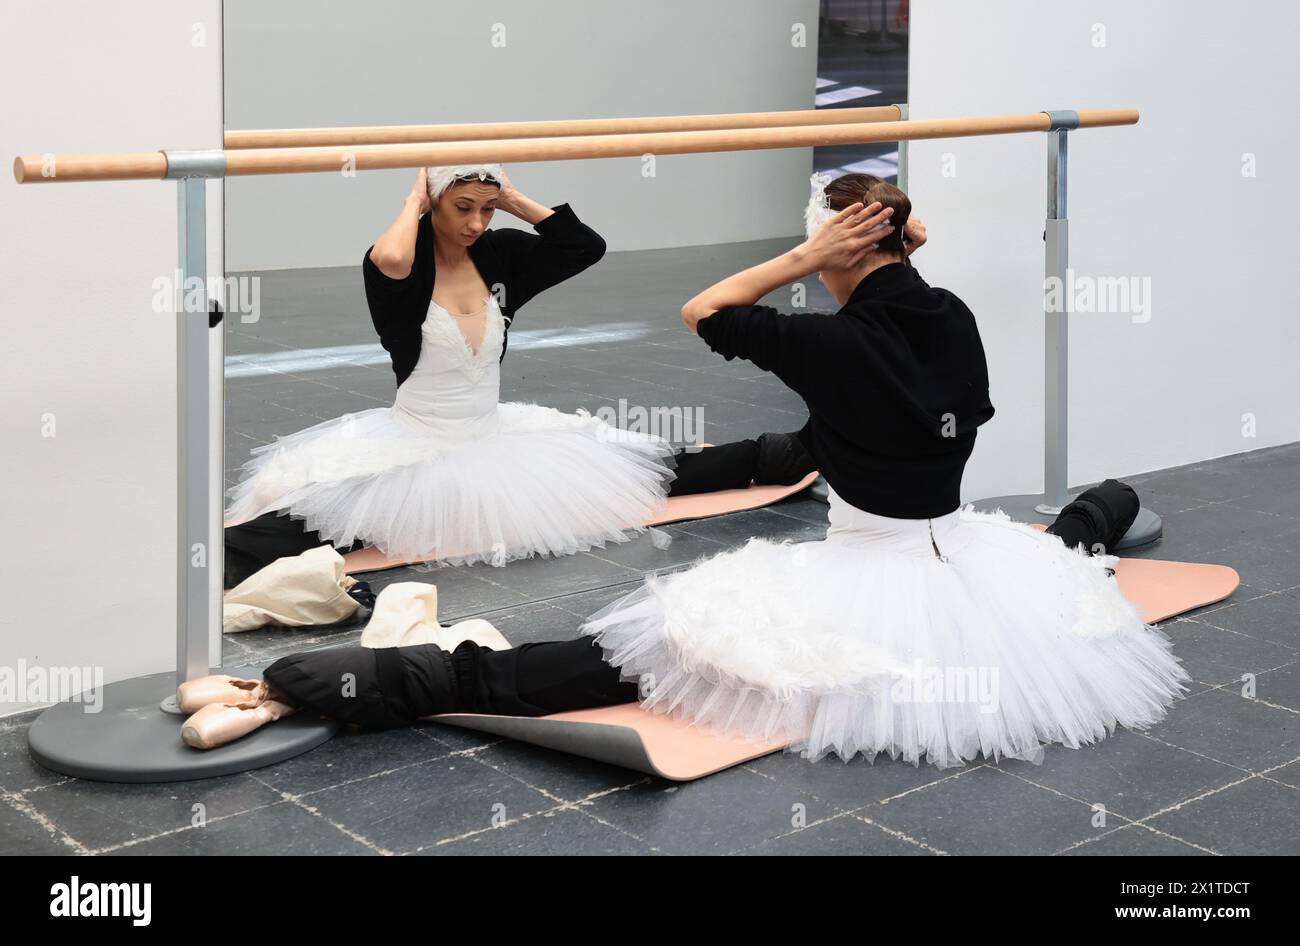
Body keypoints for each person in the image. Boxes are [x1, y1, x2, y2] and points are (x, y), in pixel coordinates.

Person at [191, 173, 1182, 772]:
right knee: (1070, 552)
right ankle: (1106, 503)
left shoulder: (824, 348)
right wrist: (859, 249)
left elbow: (704, 309)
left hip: (870, 566)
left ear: (834, 245)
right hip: (957, 549)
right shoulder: (952, 315)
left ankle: (369, 681)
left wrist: (801, 255)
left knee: (643, 656)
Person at [222, 164, 823, 588]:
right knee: (326, 523)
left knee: (645, 468)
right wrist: (415, 198)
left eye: (486, 210)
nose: (476, 222)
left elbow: (583, 247)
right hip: (417, 440)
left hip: (497, 433)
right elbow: (393, 258)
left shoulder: (500, 255)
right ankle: (200, 570)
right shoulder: (401, 267)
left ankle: (782, 455)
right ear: (431, 204)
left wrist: (508, 198)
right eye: (463, 209)